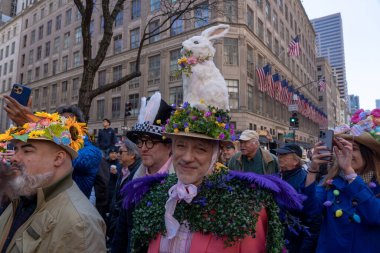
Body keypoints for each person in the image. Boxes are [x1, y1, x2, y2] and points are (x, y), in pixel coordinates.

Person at [115, 98, 304, 253]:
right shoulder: (155, 195)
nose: (187, 157)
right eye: (180, 145)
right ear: (172, 147)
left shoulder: (246, 208)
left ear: (215, 155)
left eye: (200, 149)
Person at [0, 112, 106, 252]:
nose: (14, 158)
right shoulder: (23, 196)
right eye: (16, 149)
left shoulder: (78, 223)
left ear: (58, 159)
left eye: (27, 151)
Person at [302, 109, 380, 252]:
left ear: (368, 154)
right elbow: (309, 210)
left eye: (353, 149)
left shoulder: (378, 184)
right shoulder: (331, 182)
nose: (346, 153)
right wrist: (313, 170)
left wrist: (350, 173)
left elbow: (375, 216)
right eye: (341, 147)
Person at [111, 92, 174, 252]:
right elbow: (122, 231)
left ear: (169, 145)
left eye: (151, 142)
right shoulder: (134, 179)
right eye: (140, 141)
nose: (143, 148)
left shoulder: (181, 185)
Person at [274, 143, 321, 252]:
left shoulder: (305, 180)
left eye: (284, 155)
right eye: (279, 154)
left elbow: (313, 220)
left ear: (296, 161)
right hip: (280, 238)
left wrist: (304, 249)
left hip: (296, 241)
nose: (279, 157)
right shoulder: (279, 176)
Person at [107, 140, 141, 245]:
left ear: (132, 155)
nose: (117, 155)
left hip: (123, 229)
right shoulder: (123, 170)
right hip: (115, 224)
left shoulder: (137, 173)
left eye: (121, 152)